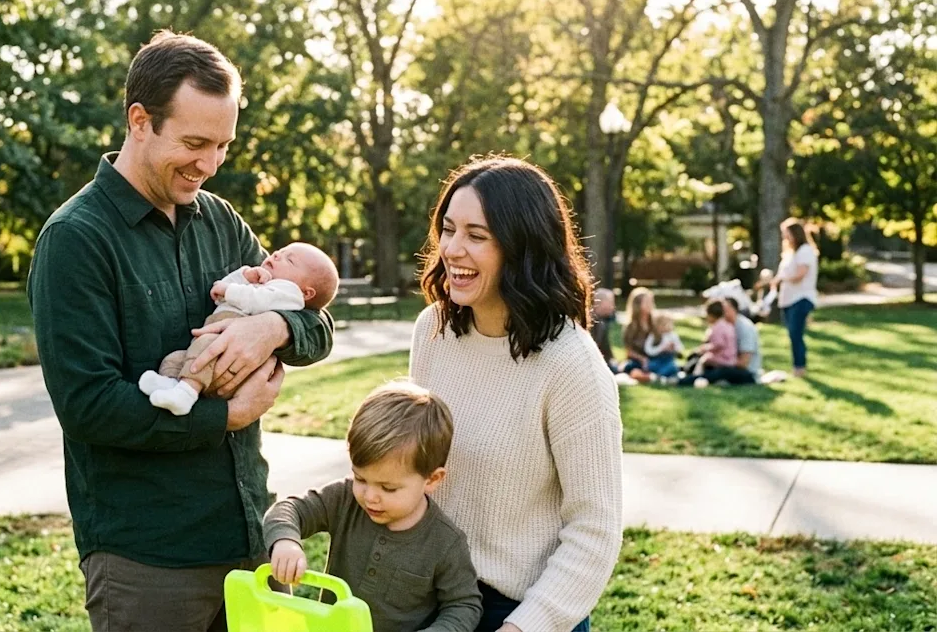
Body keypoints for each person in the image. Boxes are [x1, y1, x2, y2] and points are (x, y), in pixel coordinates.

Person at [27, 30, 334, 632]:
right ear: (140, 121)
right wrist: (226, 417)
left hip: (247, 542)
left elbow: (316, 320)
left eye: (223, 145)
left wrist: (271, 327)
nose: (210, 164)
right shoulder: (76, 240)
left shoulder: (220, 220)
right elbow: (90, 406)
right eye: (195, 142)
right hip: (148, 559)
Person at [410, 156, 622, 632]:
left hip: (520, 613)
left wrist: (525, 627)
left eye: (477, 236)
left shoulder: (572, 365)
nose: (452, 249)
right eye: (448, 229)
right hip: (432, 602)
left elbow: (595, 530)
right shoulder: (433, 331)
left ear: (522, 248)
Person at [264, 382, 482, 632]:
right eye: (360, 478)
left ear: (432, 480)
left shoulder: (445, 542)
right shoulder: (344, 499)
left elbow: (464, 605)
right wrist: (286, 541)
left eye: (388, 488)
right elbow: (289, 510)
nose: (370, 496)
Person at [139, 242, 339, 415]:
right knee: (175, 358)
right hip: (208, 338)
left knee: (205, 352)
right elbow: (221, 288)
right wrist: (243, 275)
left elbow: (257, 300)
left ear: (307, 293)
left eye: (290, 260)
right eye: (280, 251)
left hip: (219, 345)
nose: (276, 254)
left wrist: (275, 325)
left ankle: (186, 392)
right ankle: (171, 383)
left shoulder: (289, 293)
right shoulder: (264, 279)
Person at [770, 218, 819, 377]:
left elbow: (800, 275)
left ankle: (800, 367)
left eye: (787, 234)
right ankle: (797, 367)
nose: (785, 237)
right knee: (793, 334)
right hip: (788, 299)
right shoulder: (790, 253)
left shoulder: (805, 251)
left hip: (801, 298)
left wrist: (782, 278)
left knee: (795, 333)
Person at [678, 297, 761, 387]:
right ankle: (681, 371)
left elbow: (743, 363)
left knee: (719, 372)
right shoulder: (724, 325)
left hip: (743, 371)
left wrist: (718, 361)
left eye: (724, 308)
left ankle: (687, 380)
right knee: (696, 357)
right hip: (726, 361)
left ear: (733, 309)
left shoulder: (745, 328)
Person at [689, 299, 737, 378]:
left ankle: (696, 376)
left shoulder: (717, 327)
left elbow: (719, 344)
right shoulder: (728, 325)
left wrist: (705, 348)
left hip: (724, 358)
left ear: (711, 315)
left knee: (703, 360)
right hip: (731, 358)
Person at [620, 286, 656, 381]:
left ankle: (647, 374)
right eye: (647, 302)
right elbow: (629, 351)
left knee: (666, 362)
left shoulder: (654, 322)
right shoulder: (630, 326)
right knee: (629, 366)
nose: (650, 305)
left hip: (654, 358)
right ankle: (645, 375)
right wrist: (642, 359)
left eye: (651, 302)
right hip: (638, 360)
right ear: (638, 304)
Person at [643, 312, 683, 381]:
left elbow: (680, 348)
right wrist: (661, 349)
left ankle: (659, 376)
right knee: (650, 365)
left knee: (673, 367)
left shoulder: (673, 336)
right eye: (664, 324)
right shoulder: (654, 335)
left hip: (668, 360)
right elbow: (648, 350)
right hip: (657, 359)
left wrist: (674, 349)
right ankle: (660, 375)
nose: (668, 326)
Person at [588, 288, 618, 371]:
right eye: (611, 302)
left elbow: (606, 348)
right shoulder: (590, 322)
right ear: (601, 302)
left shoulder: (602, 322)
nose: (613, 306)